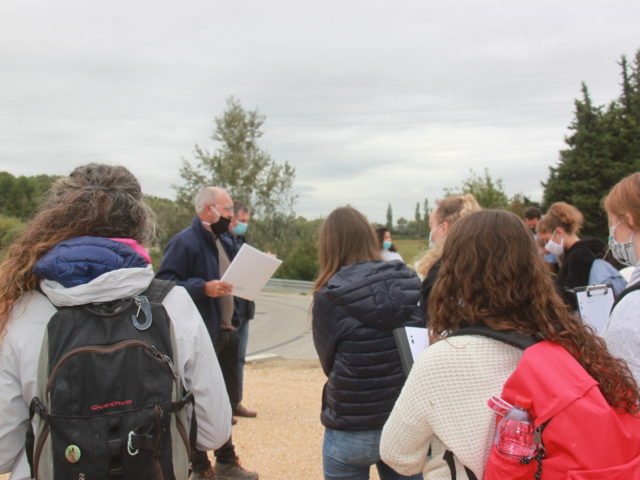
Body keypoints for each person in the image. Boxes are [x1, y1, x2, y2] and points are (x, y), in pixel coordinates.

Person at [0, 164, 232, 480]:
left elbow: (3, 452)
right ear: (139, 223)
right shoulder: (171, 302)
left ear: (55, 221)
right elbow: (213, 432)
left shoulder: (25, 309)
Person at [380, 210, 640, 479]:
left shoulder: (440, 360)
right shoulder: (572, 344)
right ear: (533, 267)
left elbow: (399, 456)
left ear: (455, 271)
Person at [313, 207, 424, 480]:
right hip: (403, 419)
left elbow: (328, 361)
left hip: (351, 421)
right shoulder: (410, 282)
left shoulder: (329, 295)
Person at [156, 186, 257, 480]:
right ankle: (200, 467)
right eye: (226, 210)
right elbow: (164, 283)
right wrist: (203, 288)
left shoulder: (222, 240)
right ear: (207, 210)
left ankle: (226, 461)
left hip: (225, 330)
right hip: (200, 333)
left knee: (222, 401)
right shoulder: (184, 243)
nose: (230, 215)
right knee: (196, 401)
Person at [536, 201, 607, 311]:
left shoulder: (578, 256)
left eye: (547, 240)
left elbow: (575, 298)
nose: (547, 246)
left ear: (558, 232)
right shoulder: (575, 253)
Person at [603, 172, 640, 383]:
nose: (611, 237)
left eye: (612, 225)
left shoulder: (633, 307)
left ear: (629, 220)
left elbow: (624, 394)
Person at [415, 194, 481, 307]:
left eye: (431, 226)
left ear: (443, 228)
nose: (431, 233)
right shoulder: (487, 263)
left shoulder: (437, 271)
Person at [228, 204, 257, 418]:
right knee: (227, 359)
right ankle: (226, 405)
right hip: (231, 309)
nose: (244, 225)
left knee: (239, 358)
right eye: (242, 220)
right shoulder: (225, 243)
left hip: (244, 307)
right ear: (233, 220)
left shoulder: (241, 242)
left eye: (247, 221)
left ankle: (236, 401)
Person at [524, 205, 559, 271]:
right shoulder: (533, 226)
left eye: (532, 224)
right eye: (528, 224)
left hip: (552, 264)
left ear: (536, 219)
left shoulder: (549, 224)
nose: (531, 227)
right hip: (542, 262)